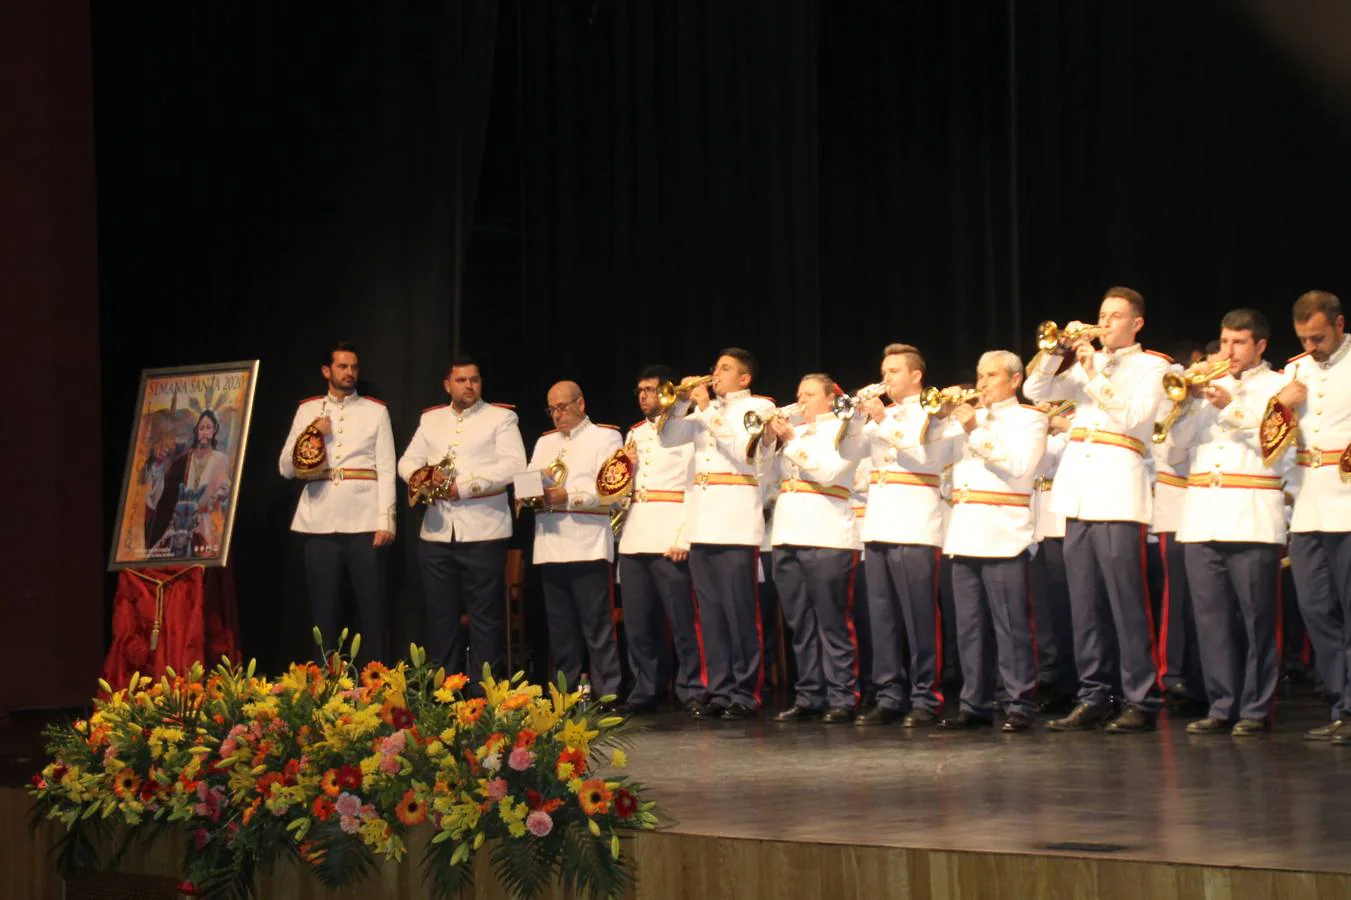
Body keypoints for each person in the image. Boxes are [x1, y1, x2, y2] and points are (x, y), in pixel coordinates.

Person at [1024, 286, 1170, 733]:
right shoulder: (1089, 364)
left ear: (1136, 323)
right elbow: (1035, 388)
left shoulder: (1155, 367)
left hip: (1118, 491)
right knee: (1083, 603)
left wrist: (1091, 370)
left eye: (1115, 317)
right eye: (1102, 315)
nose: (1104, 323)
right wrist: (1058, 352)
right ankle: (1094, 694)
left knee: (1125, 602)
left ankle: (1140, 698)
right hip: (1077, 491)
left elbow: (1133, 417)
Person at [1169, 309, 1286, 736]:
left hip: (1252, 516)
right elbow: (1173, 452)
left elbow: (1279, 448)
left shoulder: (1280, 387)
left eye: (1238, 343)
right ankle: (1221, 705)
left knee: (1256, 620)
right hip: (1202, 517)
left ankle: (1255, 709)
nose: (1228, 351)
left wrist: (1232, 407)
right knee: (1210, 620)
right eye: (1223, 342)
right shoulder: (1204, 390)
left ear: (1260, 346)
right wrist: (1186, 404)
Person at [661, 348, 776, 719]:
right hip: (704, 521)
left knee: (740, 612)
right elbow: (668, 438)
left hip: (736, 521)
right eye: (715, 367)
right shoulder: (702, 411)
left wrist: (707, 408)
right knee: (709, 615)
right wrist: (679, 405)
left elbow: (744, 453)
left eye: (725, 369)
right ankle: (720, 688)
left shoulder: (759, 406)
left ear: (745, 378)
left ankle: (747, 691)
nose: (715, 374)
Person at [937, 351, 1048, 732]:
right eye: (980, 376)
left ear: (1014, 381)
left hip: (1004, 533)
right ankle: (974, 703)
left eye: (990, 376)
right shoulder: (970, 417)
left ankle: (1018, 703)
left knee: (1010, 626)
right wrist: (939, 416)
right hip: (965, 531)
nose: (981, 384)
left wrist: (973, 429)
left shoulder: (1031, 419)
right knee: (969, 628)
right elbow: (932, 455)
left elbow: (1018, 469)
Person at [398, 356, 526, 680]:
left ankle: (483, 699)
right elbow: (406, 461)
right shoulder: (431, 420)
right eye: (462, 380)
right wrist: (423, 478)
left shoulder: (501, 417)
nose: (469, 385)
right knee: (440, 619)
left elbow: (514, 465)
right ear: (447, 385)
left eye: (475, 379)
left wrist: (464, 485)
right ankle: (445, 695)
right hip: (437, 533)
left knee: (485, 619)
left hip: (484, 532)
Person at [1266, 291, 1351, 743]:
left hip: (1349, 503)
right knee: (1316, 609)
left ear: (1339, 324)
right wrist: (1281, 405)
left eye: (1318, 336)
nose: (1312, 345)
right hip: (1308, 507)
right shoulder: (1294, 370)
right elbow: (1270, 444)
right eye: (1304, 338)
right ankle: (1342, 702)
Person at [853, 344, 953, 727]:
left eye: (894, 371)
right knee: (883, 616)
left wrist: (881, 419)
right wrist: (857, 420)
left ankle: (927, 696)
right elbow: (847, 454)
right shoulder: (882, 416)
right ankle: (889, 693)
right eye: (884, 371)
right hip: (879, 522)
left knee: (919, 615)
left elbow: (927, 458)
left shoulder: (934, 408)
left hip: (915, 523)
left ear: (916, 375)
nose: (886, 378)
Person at [279, 341, 396, 662]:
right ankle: (324, 687)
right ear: (326, 371)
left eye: (354, 367)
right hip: (319, 519)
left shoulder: (376, 411)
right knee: (323, 611)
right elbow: (285, 468)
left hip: (364, 520)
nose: (350, 373)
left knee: (372, 608)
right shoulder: (307, 410)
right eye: (343, 367)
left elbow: (386, 468)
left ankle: (378, 683)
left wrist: (387, 521)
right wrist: (312, 432)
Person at [766, 374, 864, 723]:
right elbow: (766, 480)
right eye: (798, 394)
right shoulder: (796, 433)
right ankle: (809, 694)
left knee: (832, 621)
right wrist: (767, 443)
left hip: (827, 536)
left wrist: (790, 440)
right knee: (800, 623)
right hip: (788, 535)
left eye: (808, 394)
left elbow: (829, 474)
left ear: (829, 397)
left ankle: (843, 695)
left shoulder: (844, 428)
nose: (800, 400)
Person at [615, 365, 705, 716]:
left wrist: (684, 535)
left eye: (650, 390)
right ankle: (645, 688)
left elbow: (693, 485)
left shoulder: (689, 428)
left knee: (682, 621)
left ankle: (692, 688)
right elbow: (621, 492)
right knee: (639, 623)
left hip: (670, 534)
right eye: (640, 390)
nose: (644, 396)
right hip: (635, 534)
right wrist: (626, 468)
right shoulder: (634, 433)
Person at [528, 381, 624, 702]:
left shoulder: (606, 437)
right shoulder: (544, 443)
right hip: (550, 546)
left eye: (563, 407)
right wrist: (530, 494)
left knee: (597, 625)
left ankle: (608, 691)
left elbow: (612, 490)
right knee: (561, 629)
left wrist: (569, 495)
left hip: (587, 544)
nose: (557, 415)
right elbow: (529, 480)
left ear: (581, 405)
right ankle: (563, 695)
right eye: (552, 409)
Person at [1150, 364, 1206, 713]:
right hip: (1174, 507)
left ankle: (1204, 673)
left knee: (1207, 600)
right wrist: (1183, 405)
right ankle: (1172, 673)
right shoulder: (1169, 405)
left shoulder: (1214, 404)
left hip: (1207, 506)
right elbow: (1169, 452)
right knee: (1177, 595)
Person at [1030, 404, 1077, 713]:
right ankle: (1053, 674)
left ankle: (1074, 681)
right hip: (1039, 522)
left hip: (1064, 521)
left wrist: (1060, 424)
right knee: (1045, 610)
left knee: (1068, 609)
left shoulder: (1078, 419)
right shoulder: (1038, 422)